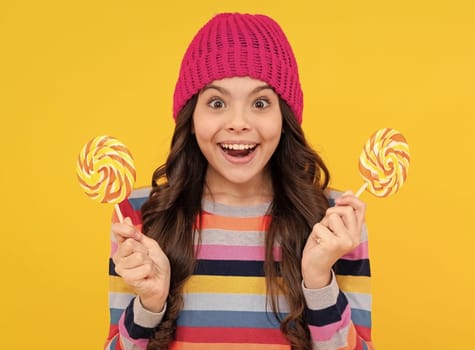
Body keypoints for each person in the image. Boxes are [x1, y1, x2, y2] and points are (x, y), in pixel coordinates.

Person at [105, 13, 373, 350]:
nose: (238, 123)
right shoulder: (139, 215)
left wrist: (318, 282)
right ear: (191, 116)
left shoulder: (334, 221)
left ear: (284, 116)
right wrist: (150, 304)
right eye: (217, 103)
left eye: (260, 103)